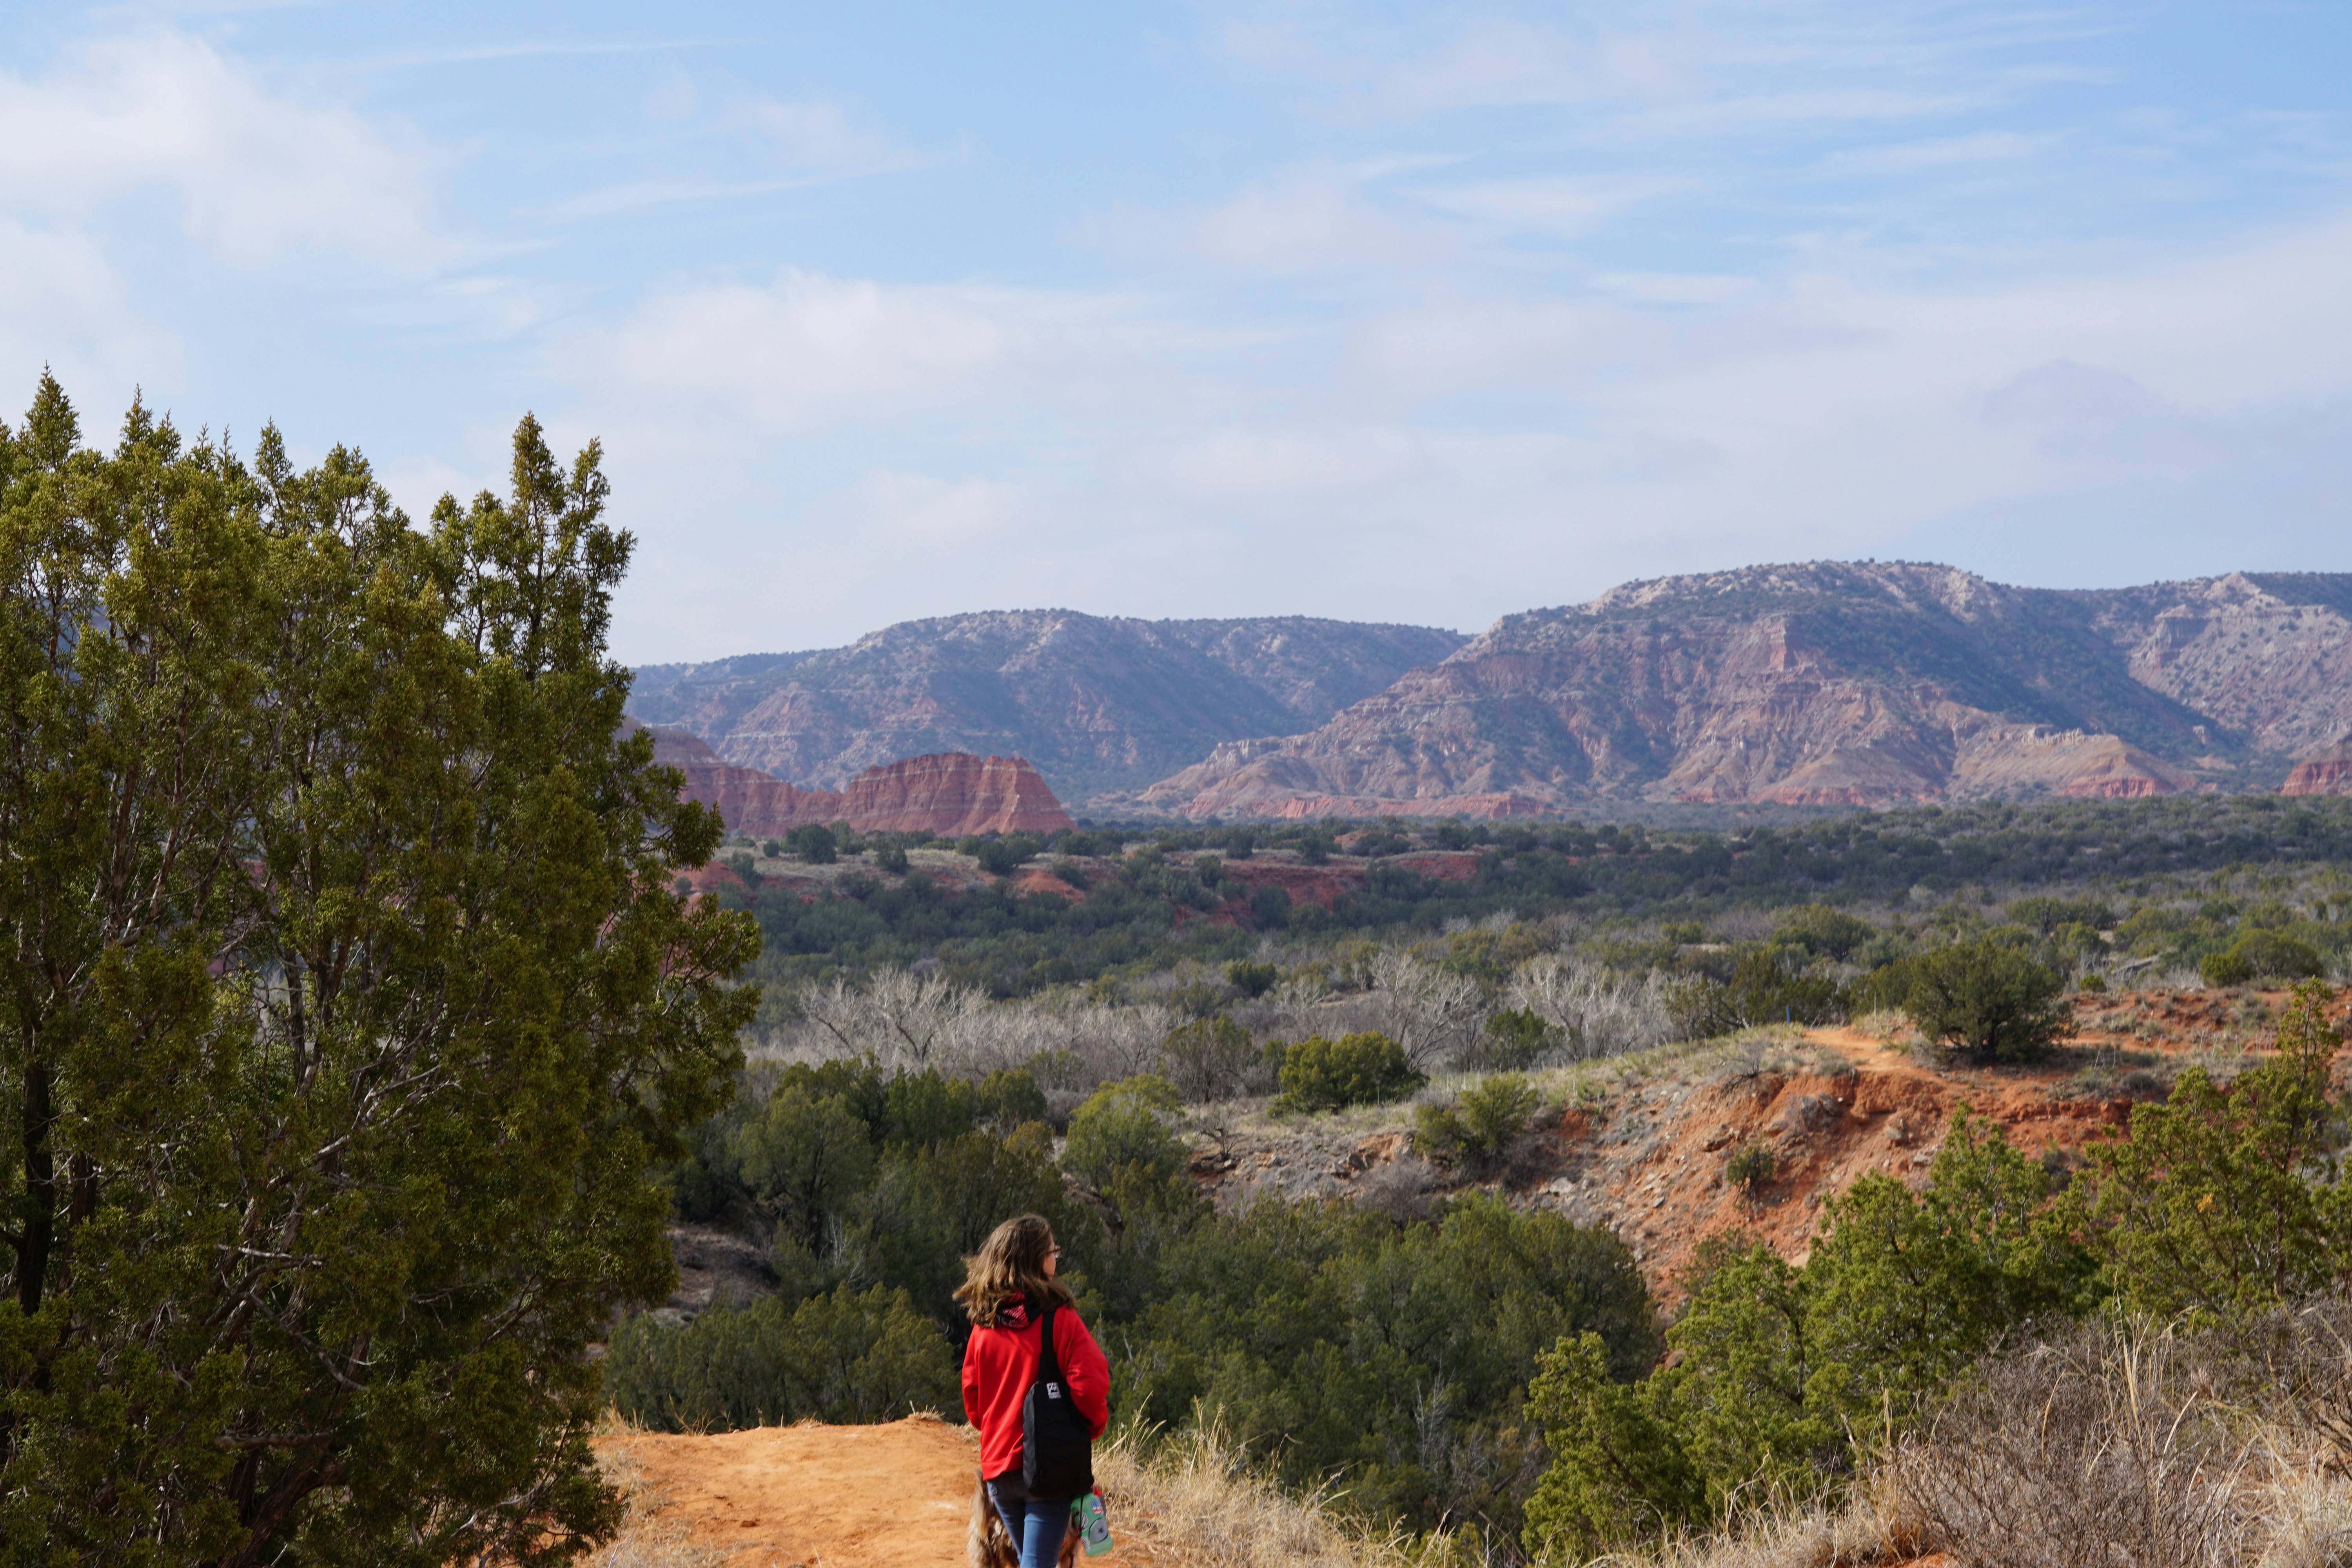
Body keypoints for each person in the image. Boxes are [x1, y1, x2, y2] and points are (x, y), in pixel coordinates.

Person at [956, 1214, 1109, 1568]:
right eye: (1053, 1250)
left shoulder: (984, 1327)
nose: (1057, 1256)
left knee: (1032, 1560)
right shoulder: (1062, 1320)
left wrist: (1001, 1429)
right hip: (1049, 1471)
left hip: (999, 1472)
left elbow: (974, 1404)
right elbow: (1091, 1388)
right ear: (1036, 1260)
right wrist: (1091, 1427)